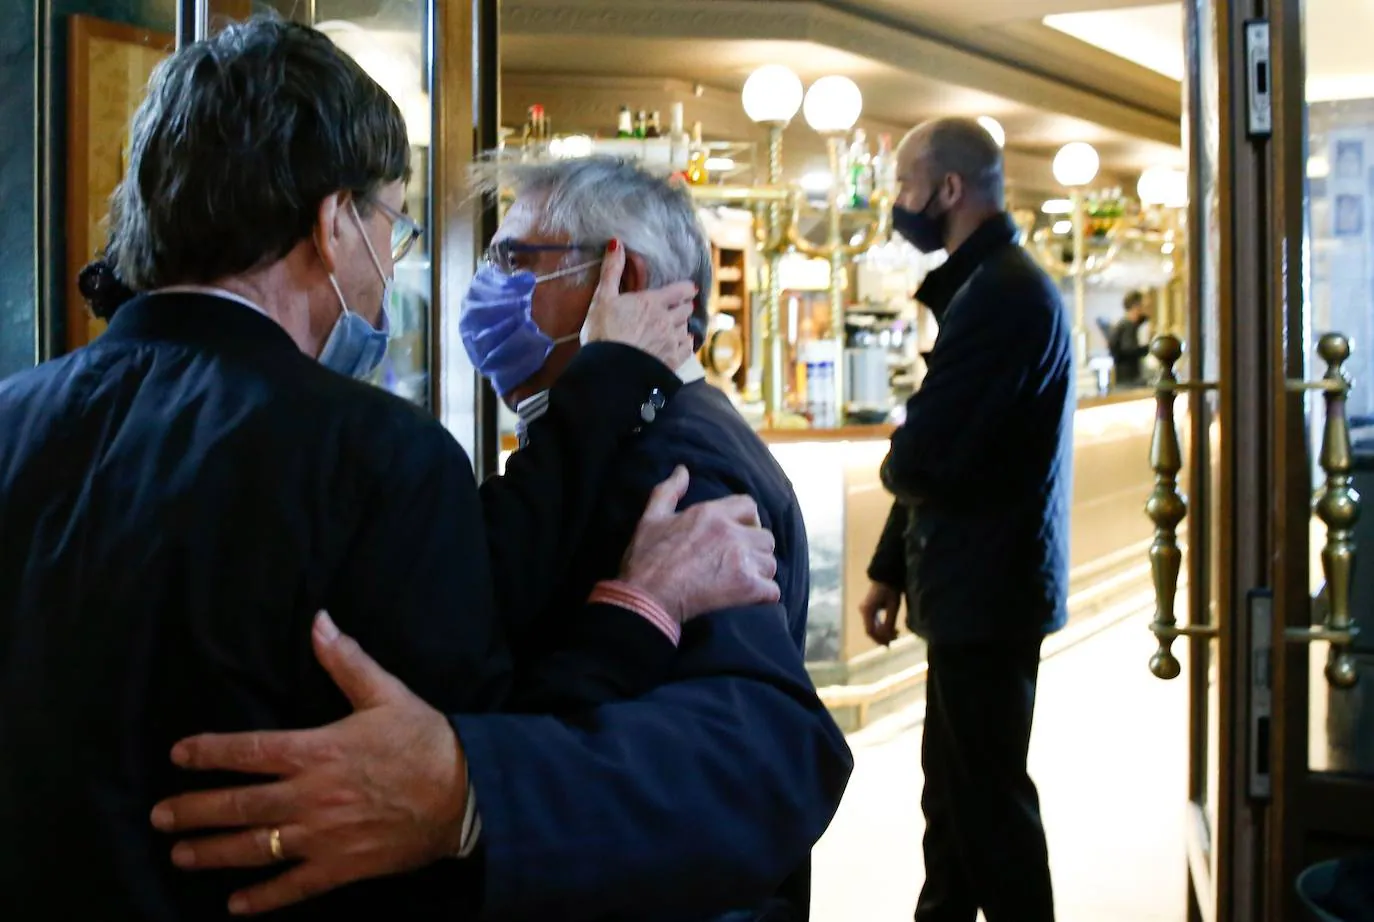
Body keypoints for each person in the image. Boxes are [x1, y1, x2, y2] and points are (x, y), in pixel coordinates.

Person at [0, 18, 829, 922]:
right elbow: (451, 765)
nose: (461, 283)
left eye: (514, 260)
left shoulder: (15, 417)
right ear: (331, 224)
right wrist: (637, 612)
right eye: (392, 226)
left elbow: (758, 750)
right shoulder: (375, 455)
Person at [151, 155, 852, 921]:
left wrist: (469, 791)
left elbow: (745, 758)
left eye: (516, 260)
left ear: (624, 278)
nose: (487, 284)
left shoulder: (672, 464)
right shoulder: (617, 431)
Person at [858, 117, 1072, 922]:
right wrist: (889, 566)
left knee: (987, 811)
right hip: (974, 587)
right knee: (952, 804)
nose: (898, 203)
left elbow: (924, 459)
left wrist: (901, 448)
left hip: (991, 590)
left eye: (906, 186)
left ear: (948, 190)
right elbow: (940, 452)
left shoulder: (1006, 293)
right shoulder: (987, 285)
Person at [1106, 289, 1151, 388]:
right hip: (1129, 380)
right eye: (1143, 306)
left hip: (1126, 378)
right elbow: (1129, 349)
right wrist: (1149, 348)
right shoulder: (1127, 326)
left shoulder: (1124, 324)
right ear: (1136, 307)